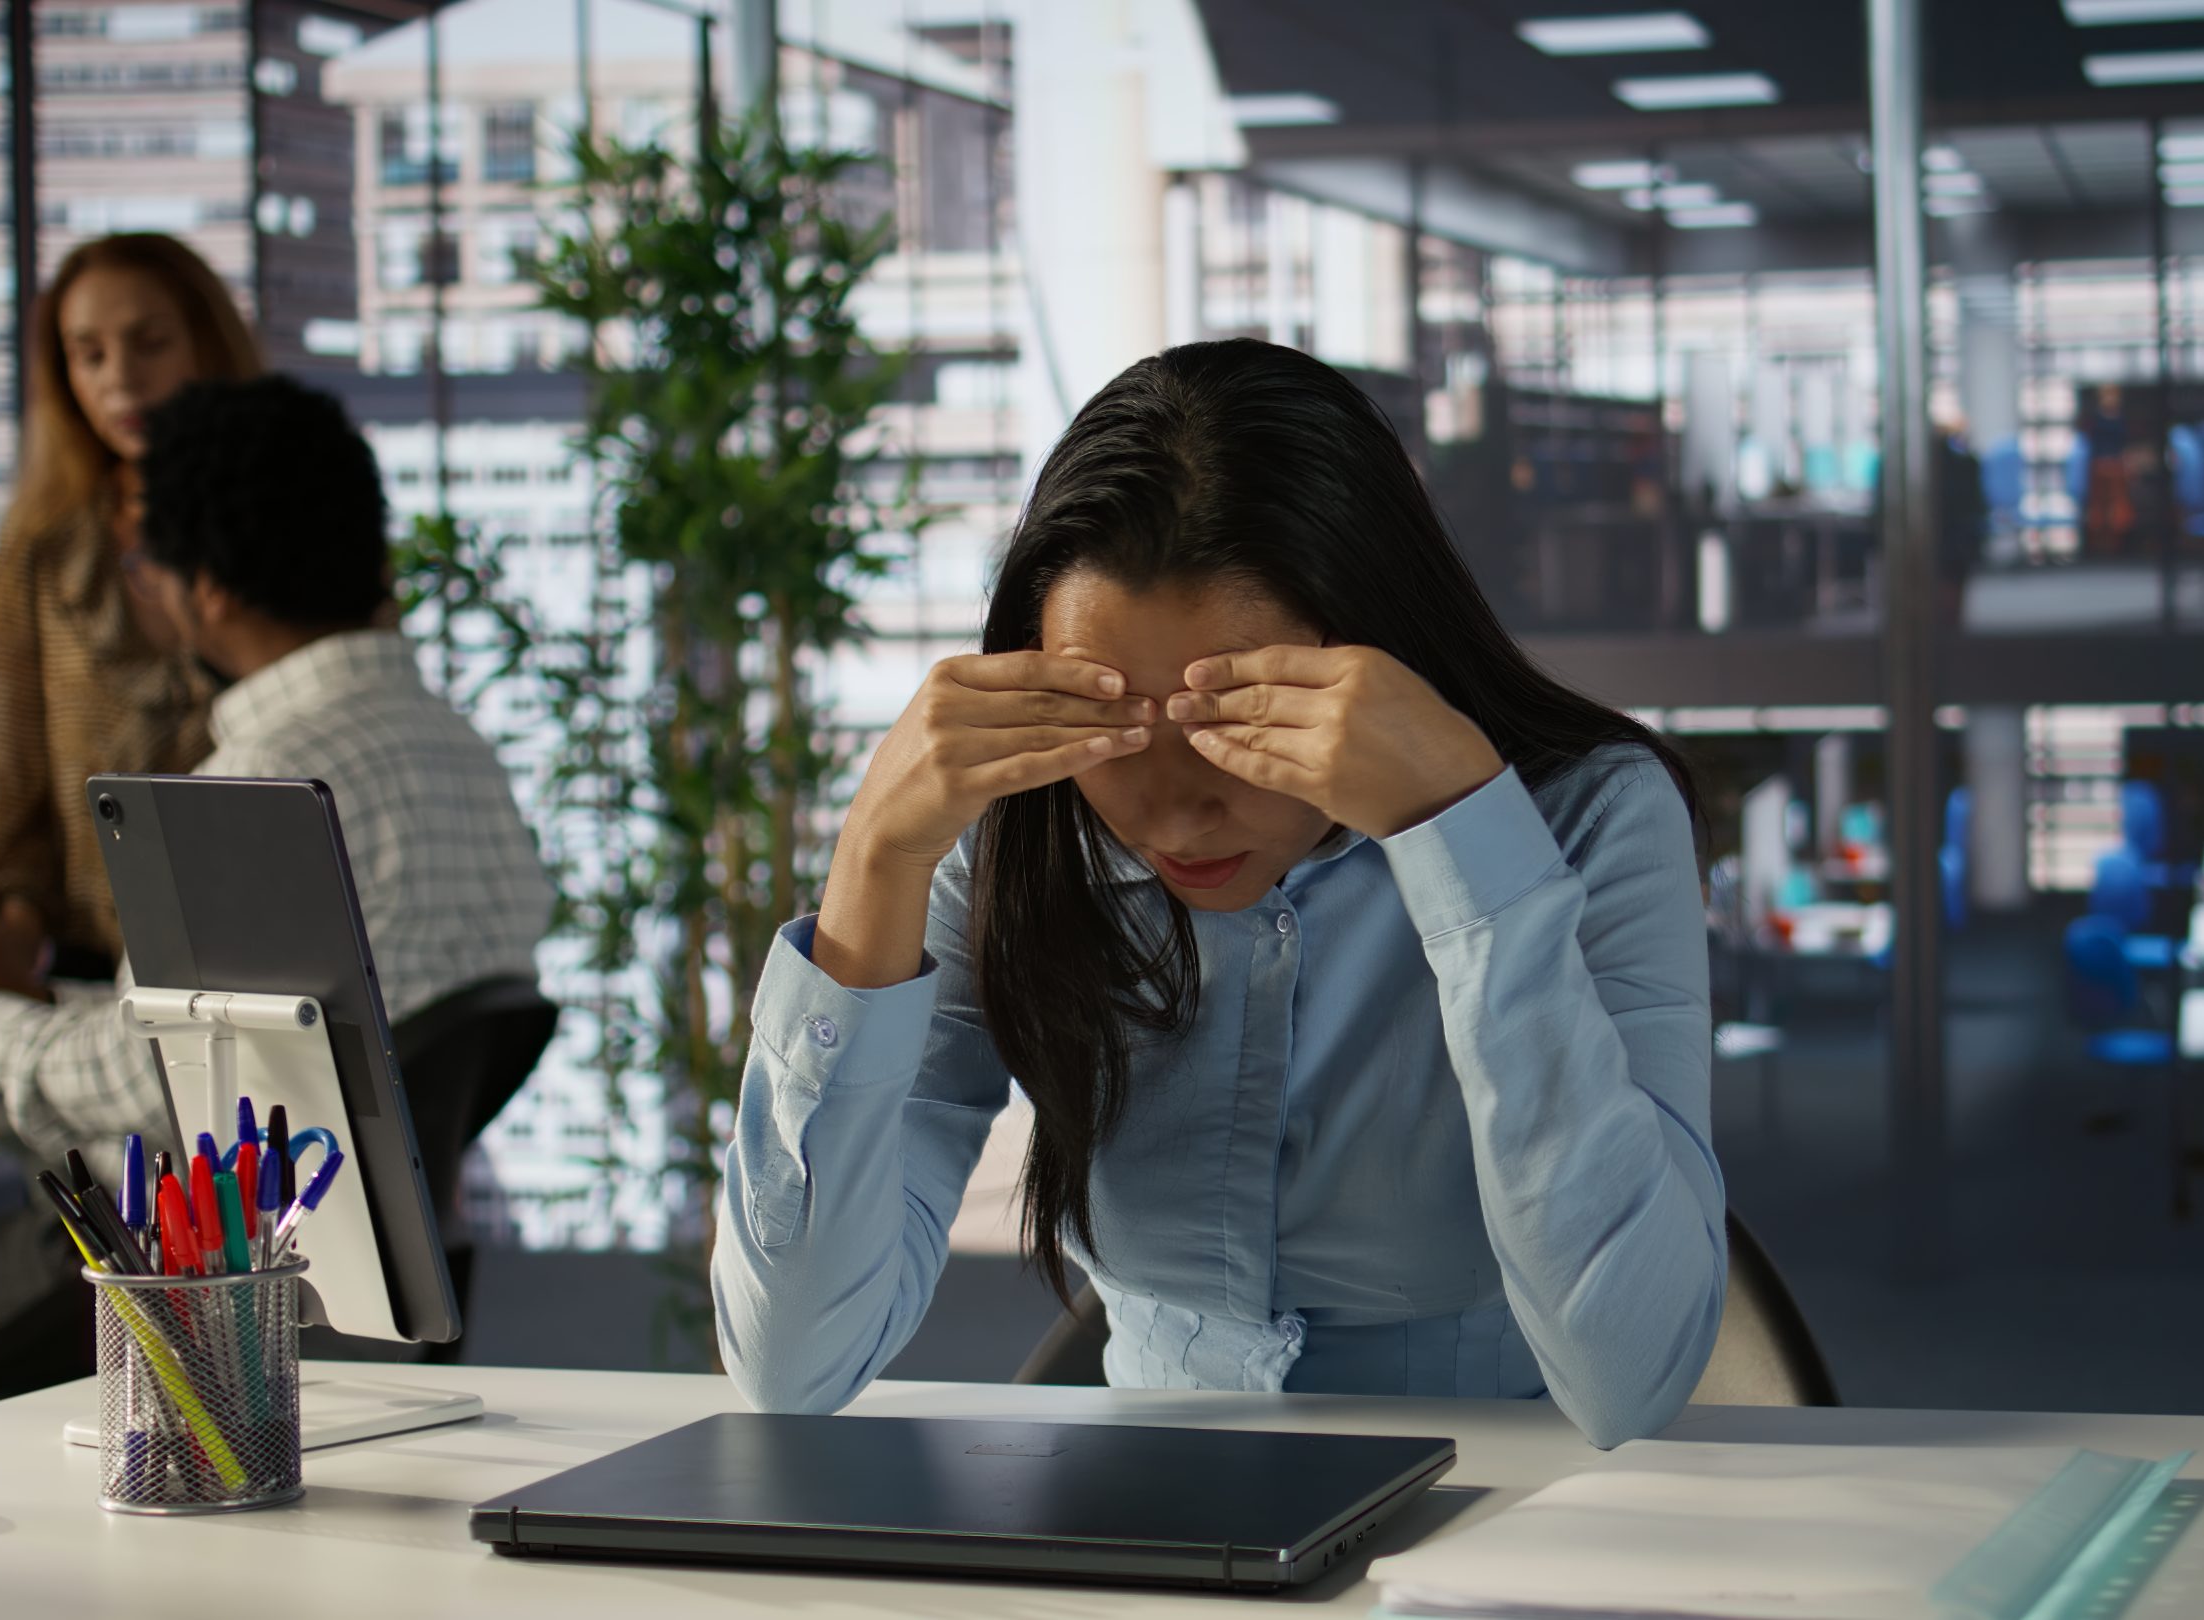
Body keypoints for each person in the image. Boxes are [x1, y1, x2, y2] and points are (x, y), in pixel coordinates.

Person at [713, 339, 1724, 1450]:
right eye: (1114, 728)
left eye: (1237, 727)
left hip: (1500, 1530)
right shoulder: (1019, 836)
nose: (1169, 815)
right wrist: (872, 862)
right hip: (1152, 1533)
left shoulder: (1591, 817)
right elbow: (790, 1368)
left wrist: (1466, 842)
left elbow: (1632, 1384)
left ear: (1372, 661)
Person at [0, 374, 553, 1168]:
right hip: (349, 1260)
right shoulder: (462, 749)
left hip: (220, 1281)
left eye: (142, 566)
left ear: (211, 589)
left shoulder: (259, 789)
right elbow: (256, 1032)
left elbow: (148, 1082)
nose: (142, 588)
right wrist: (43, 1007)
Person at [0, 233, 261, 981]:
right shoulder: (41, 548)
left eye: (151, 343)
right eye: (88, 354)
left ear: (207, 344)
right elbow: (12, 779)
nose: (120, 380)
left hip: (278, 946)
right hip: (101, 968)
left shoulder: (293, 524)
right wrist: (9, 938)